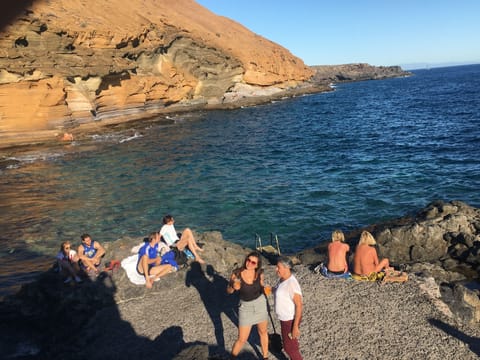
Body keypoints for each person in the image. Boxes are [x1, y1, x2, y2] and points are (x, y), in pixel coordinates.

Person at [226, 251, 269, 359]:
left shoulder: (260, 273)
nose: (249, 263)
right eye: (248, 260)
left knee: (263, 332)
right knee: (242, 339)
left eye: (253, 263)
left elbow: (262, 287)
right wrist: (232, 286)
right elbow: (228, 291)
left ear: (257, 265)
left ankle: (265, 356)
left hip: (260, 304)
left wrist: (266, 289)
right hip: (245, 308)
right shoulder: (236, 274)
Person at [274, 256, 303, 360]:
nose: (276, 269)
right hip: (284, 319)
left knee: (291, 348)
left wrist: (295, 327)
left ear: (286, 268)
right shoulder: (283, 279)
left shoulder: (292, 284)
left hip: (290, 320)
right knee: (289, 346)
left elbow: (299, 305)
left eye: (278, 267)